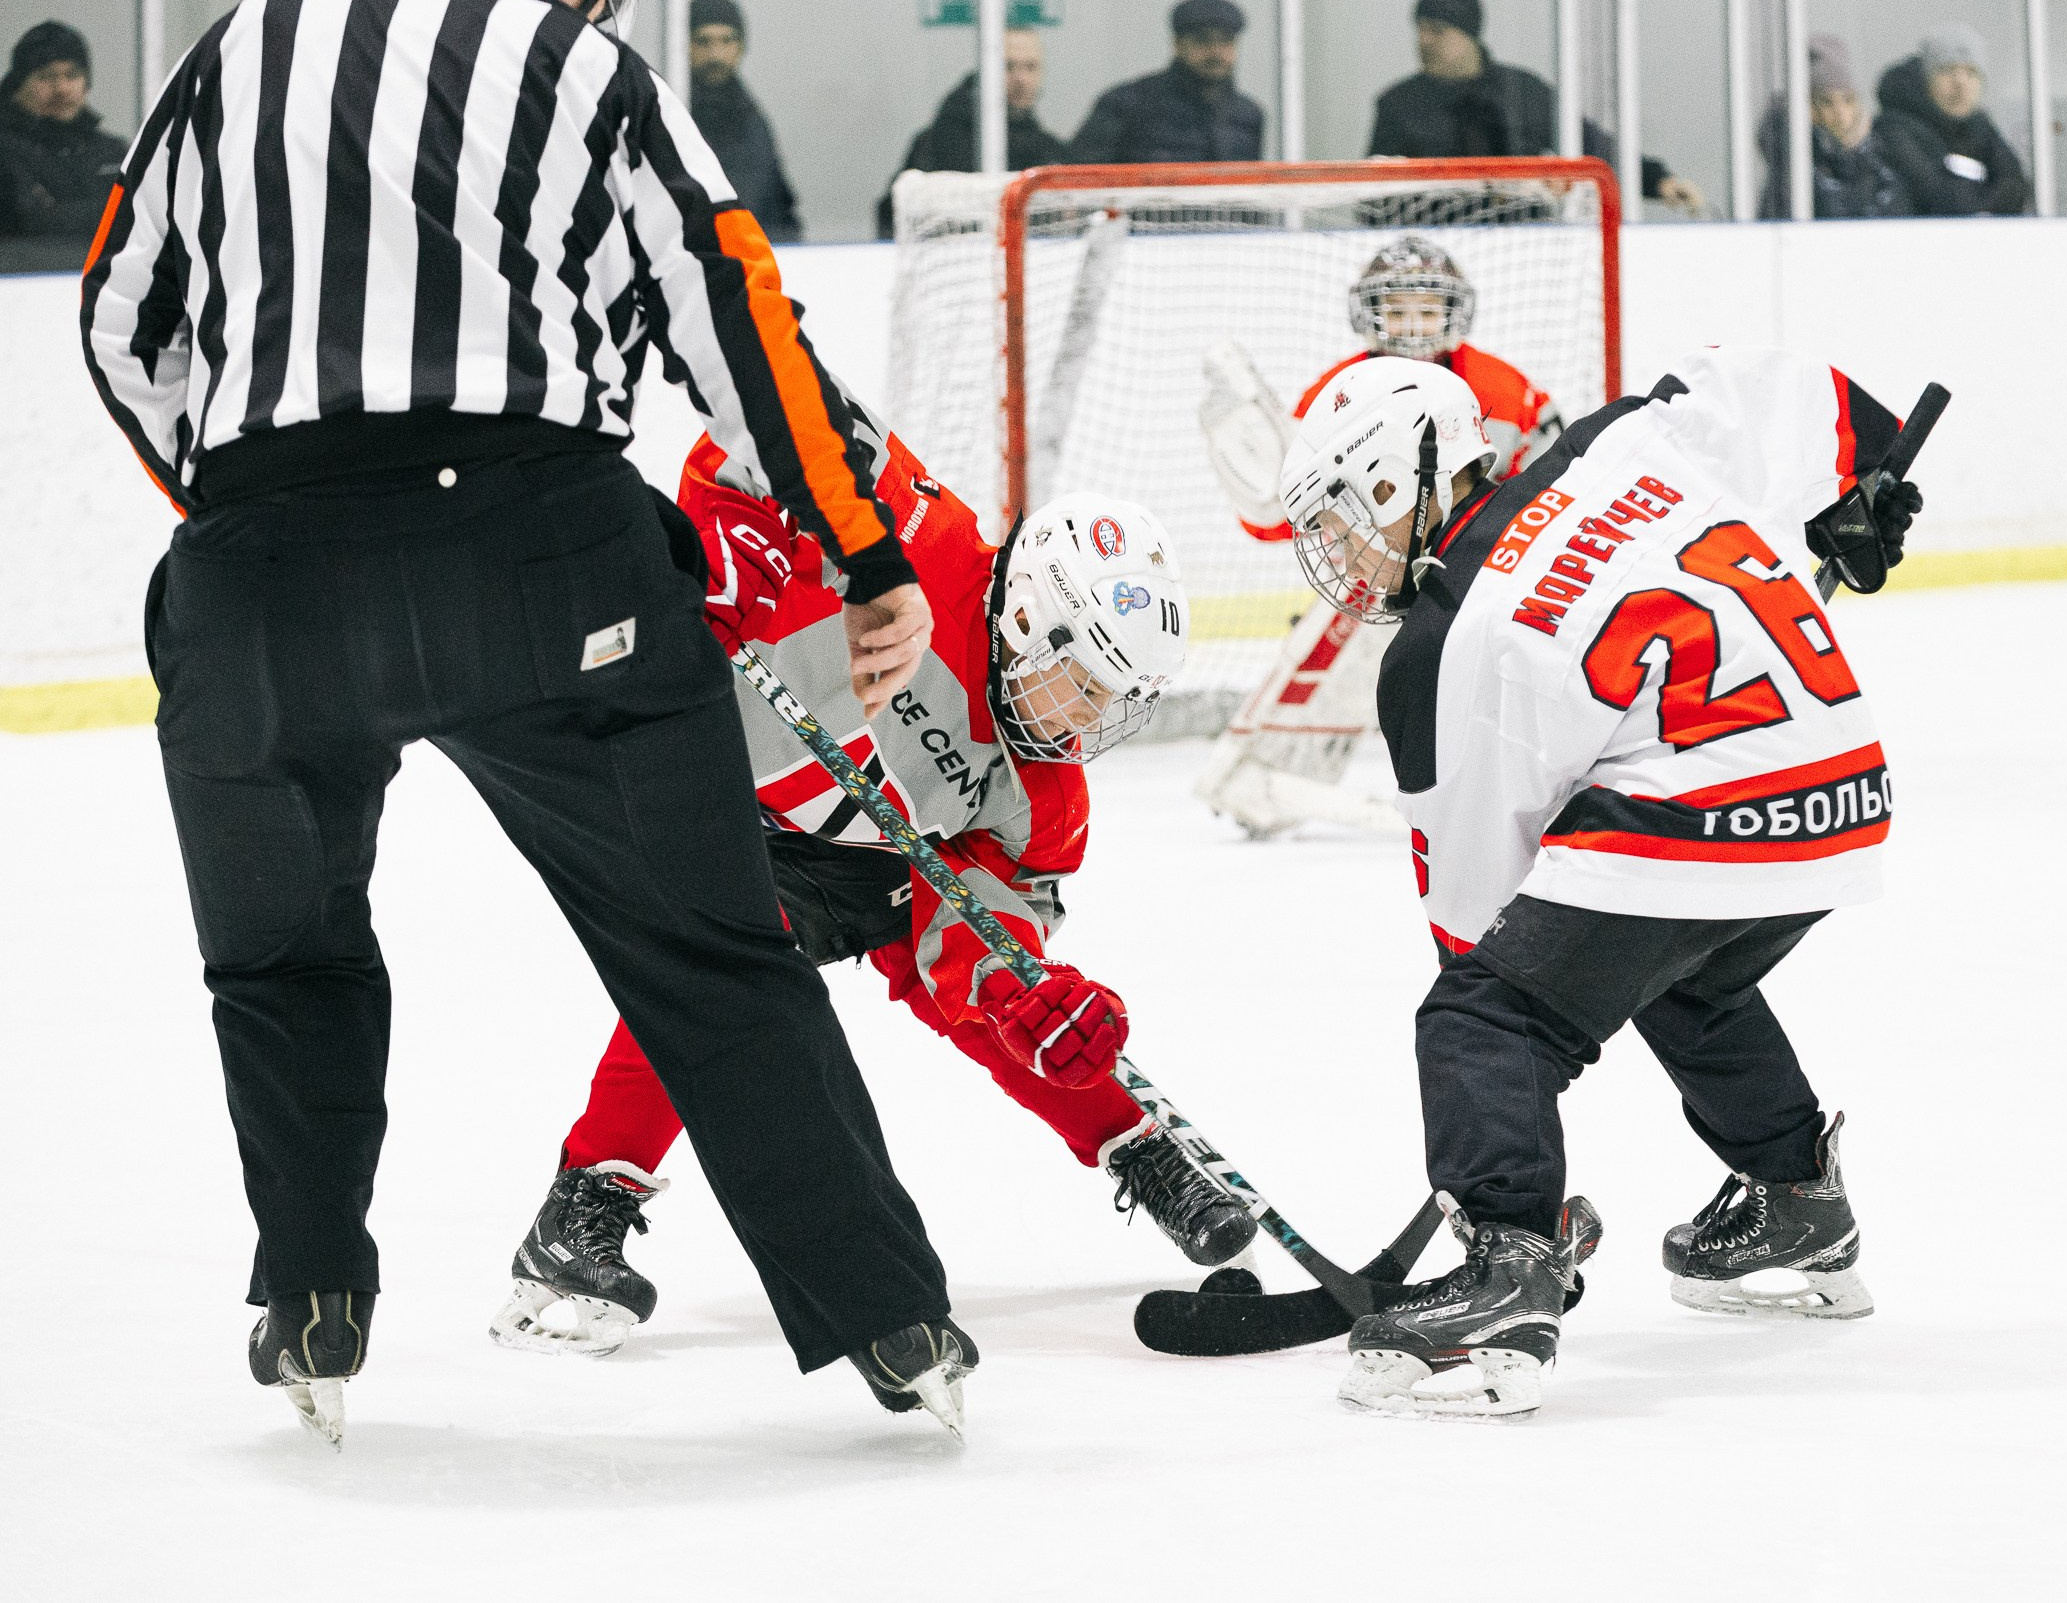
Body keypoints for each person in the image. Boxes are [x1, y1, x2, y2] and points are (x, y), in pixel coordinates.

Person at [80, 0, 977, 1446]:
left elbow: (118, 324)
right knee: (707, 945)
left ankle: (308, 1296)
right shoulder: (584, 68)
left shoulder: (239, 41)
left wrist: (255, 512)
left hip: (259, 578)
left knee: (282, 957)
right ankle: (889, 1318)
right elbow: (736, 319)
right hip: (537, 554)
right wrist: (864, 544)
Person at [1267, 344, 1927, 1418]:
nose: (1336, 549)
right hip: (1843, 786)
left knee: (1480, 1020)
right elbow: (1800, 391)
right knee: (1679, 964)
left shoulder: (1439, 647)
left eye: (1343, 514)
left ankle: (1506, 1272)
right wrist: (1868, 487)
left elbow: (1477, 930)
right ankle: (1796, 1195)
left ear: (1401, 479)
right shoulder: (1622, 437)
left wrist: (1499, 1132)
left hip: (1701, 799)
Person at [491, 430, 1253, 1355]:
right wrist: (739, 544)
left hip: (874, 859)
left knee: (1001, 1010)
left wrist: (1020, 993)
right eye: (1081, 686)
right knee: (713, 975)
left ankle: (1140, 1143)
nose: (1087, 723)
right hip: (723, 795)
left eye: (1112, 701)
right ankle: (582, 1208)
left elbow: (965, 941)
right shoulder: (910, 541)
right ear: (1026, 621)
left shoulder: (1042, 796)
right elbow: (755, 427)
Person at [1193, 235, 1564, 839]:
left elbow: (1553, 480)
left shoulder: (1503, 387)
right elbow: (1279, 516)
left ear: (1453, 313)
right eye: (1396, 311)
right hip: (1382, 572)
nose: (1413, 327)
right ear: (1368, 315)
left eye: (1426, 309)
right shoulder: (1338, 392)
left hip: (1490, 567)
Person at [1368, 0, 1705, 217]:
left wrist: (1657, 180)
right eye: (1420, 29)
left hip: (1524, 257)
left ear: (1469, 34)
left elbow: (1592, 148)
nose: (1423, 41)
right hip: (1433, 261)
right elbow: (1372, 199)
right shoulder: (1398, 105)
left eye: (1437, 30)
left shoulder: (1522, 93)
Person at [873, 26, 1070, 239]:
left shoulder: (1049, 152)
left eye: (1030, 67)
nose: (1021, 79)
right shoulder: (940, 142)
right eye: (1008, 66)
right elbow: (893, 214)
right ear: (986, 71)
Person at [1065, 0, 1263, 165]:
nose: (1216, 52)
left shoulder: (1248, 115)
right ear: (1177, 44)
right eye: (1202, 40)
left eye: (1226, 41)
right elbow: (1080, 180)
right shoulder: (1126, 104)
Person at [0, 20, 127, 267]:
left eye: (72, 75)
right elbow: (30, 222)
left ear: (86, 83)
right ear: (17, 86)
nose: (61, 88)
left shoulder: (112, 152)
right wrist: (114, 212)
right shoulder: (5, 152)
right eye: (46, 77)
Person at [1872, 22, 2029, 217]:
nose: (1960, 84)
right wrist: (1988, 201)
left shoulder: (1980, 125)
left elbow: (2015, 186)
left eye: (1971, 72)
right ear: (1926, 80)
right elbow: (1938, 196)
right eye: (1948, 71)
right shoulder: (1895, 128)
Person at [1755, 35, 1911, 221]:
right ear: (1808, 109)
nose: (1840, 113)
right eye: (1826, 102)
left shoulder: (1882, 164)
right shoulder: (1793, 171)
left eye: (1848, 100)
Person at [687, 0, 800, 241]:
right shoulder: (668, 115)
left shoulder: (754, 123)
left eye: (727, 41)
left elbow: (780, 208)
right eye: (704, 41)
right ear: (685, 46)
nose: (715, 55)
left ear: (741, 47)